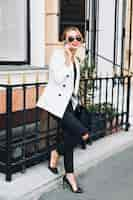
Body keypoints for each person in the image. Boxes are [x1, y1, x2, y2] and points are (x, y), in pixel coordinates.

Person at [37, 26, 91, 193]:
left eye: (78, 38)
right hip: (58, 105)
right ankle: (56, 152)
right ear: (64, 40)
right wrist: (67, 58)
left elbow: (73, 86)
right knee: (83, 133)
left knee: (71, 135)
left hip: (70, 104)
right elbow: (58, 78)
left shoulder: (76, 60)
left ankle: (69, 174)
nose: (75, 41)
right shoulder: (58, 56)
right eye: (71, 38)